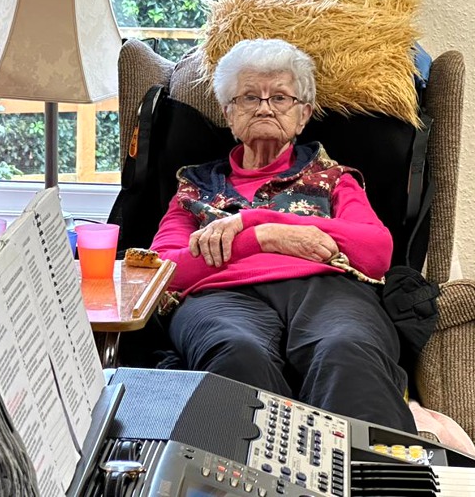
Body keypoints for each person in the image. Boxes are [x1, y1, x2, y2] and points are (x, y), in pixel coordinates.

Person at [150, 38, 416, 433]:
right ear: (228, 112)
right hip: (221, 298)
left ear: (303, 114)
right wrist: (261, 240)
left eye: (280, 97)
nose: (263, 107)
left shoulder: (332, 178)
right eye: (248, 97)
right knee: (236, 352)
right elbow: (162, 272)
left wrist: (259, 222)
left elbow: (375, 251)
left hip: (328, 291)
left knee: (344, 350)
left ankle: (370, 482)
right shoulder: (194, 186)